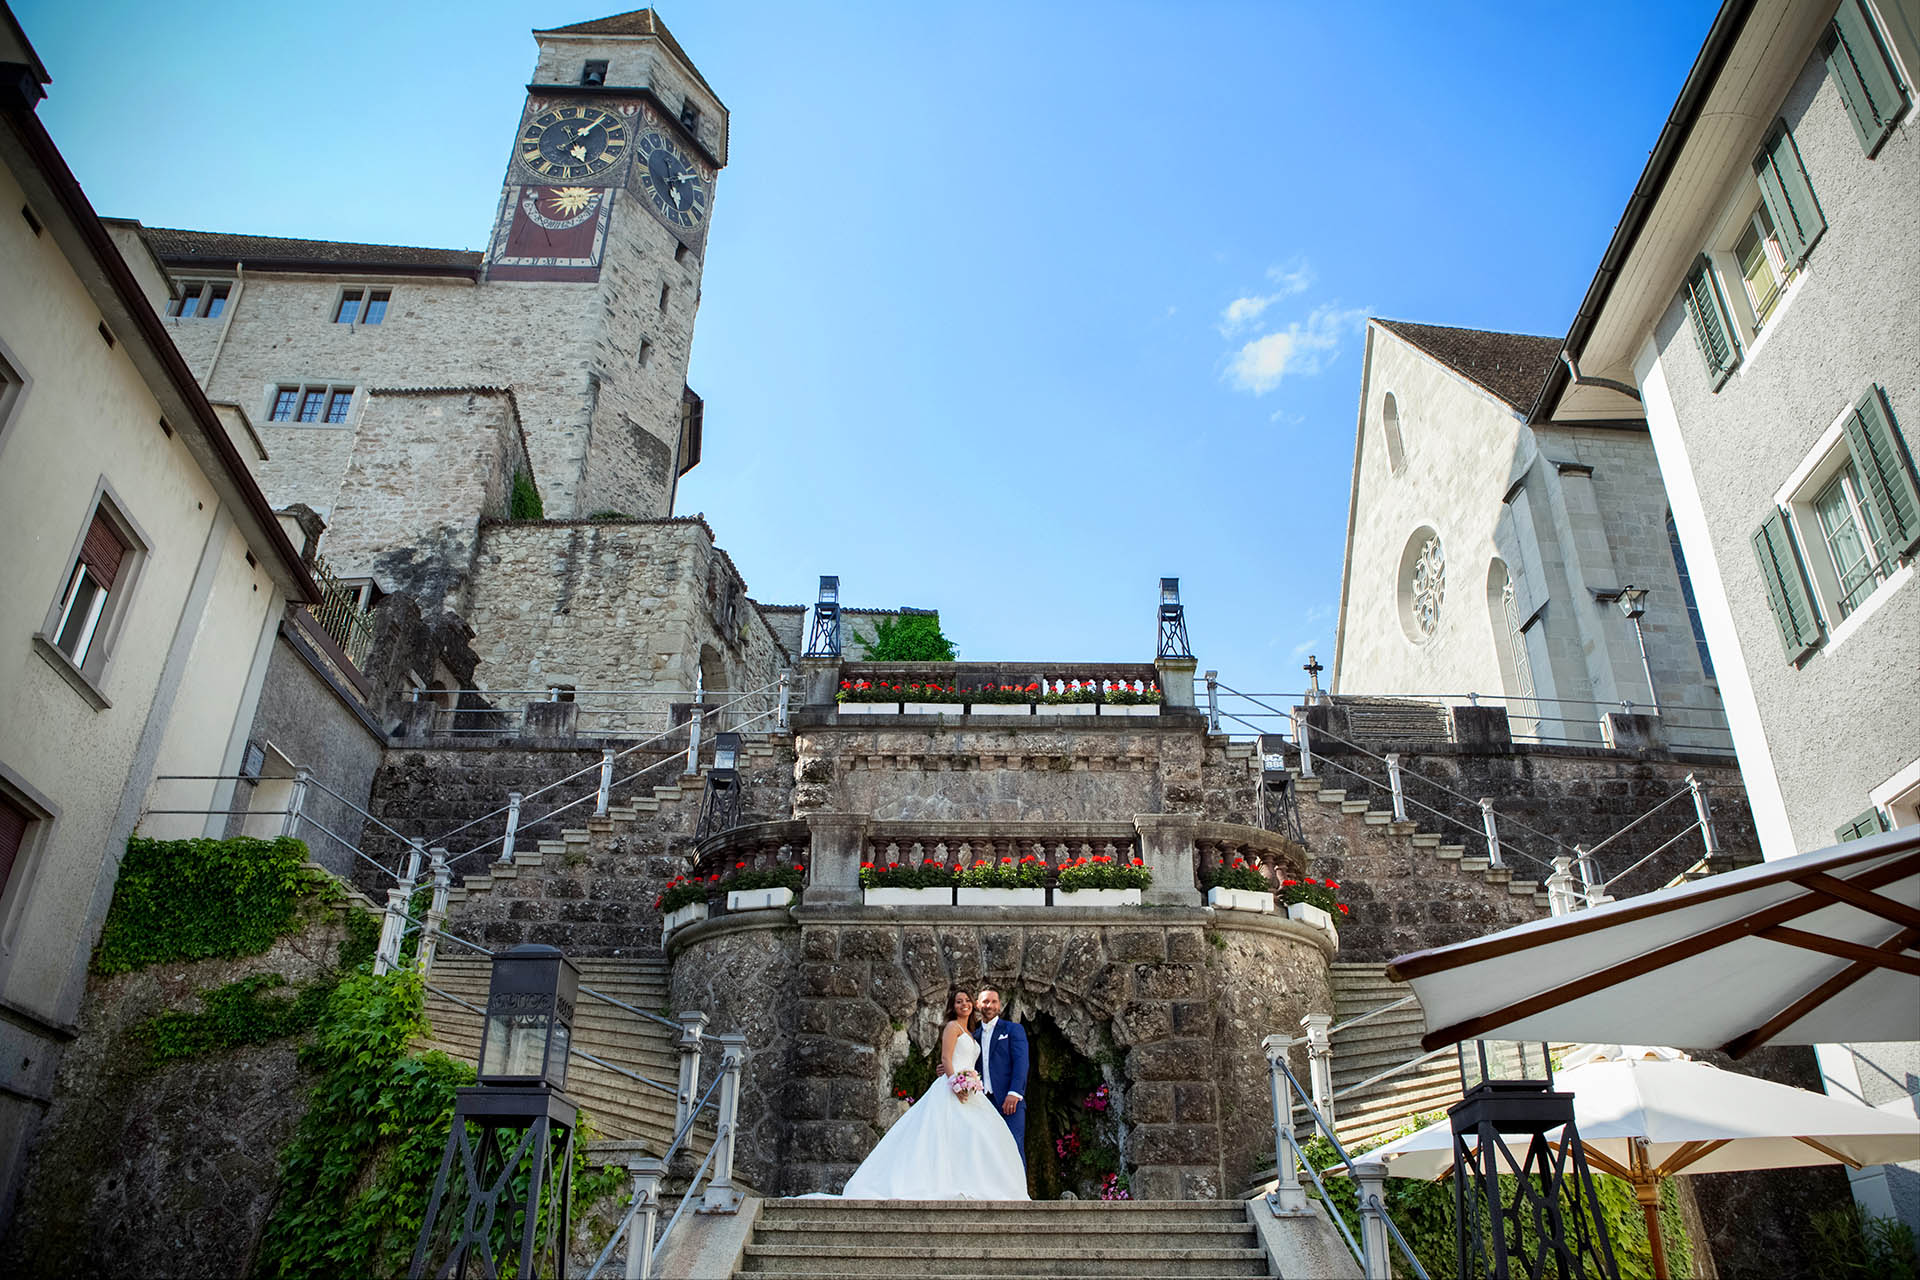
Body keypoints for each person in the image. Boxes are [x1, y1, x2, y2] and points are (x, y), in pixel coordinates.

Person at [836, 988, 1029, 1200]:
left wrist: (1012, 1091)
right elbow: (947, 1058)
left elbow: (1018, 1062)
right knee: (945, 1137)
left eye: (967, 1001)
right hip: (954, 1090)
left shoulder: (996, 1031)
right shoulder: (953, 1027)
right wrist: (953, 1079)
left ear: (997, 1004)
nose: (965, 1004)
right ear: (959, 1006)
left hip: (981, 1094)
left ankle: (1011, 1193)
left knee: (994, 1141)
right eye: (959, 1001)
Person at [973, 986, 1029, 1165]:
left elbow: (1021, 1063)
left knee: (1013, 1147)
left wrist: (1014, 1093)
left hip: (1009, 1101)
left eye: (993, 1001)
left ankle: (1019, 1192)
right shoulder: (973, 1036)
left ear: (1000, 1006)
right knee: (985, 1151)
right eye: (985, 1001)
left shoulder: (1013, 1030)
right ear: (978, 1005)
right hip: (982, 1103)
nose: (989, 1005)